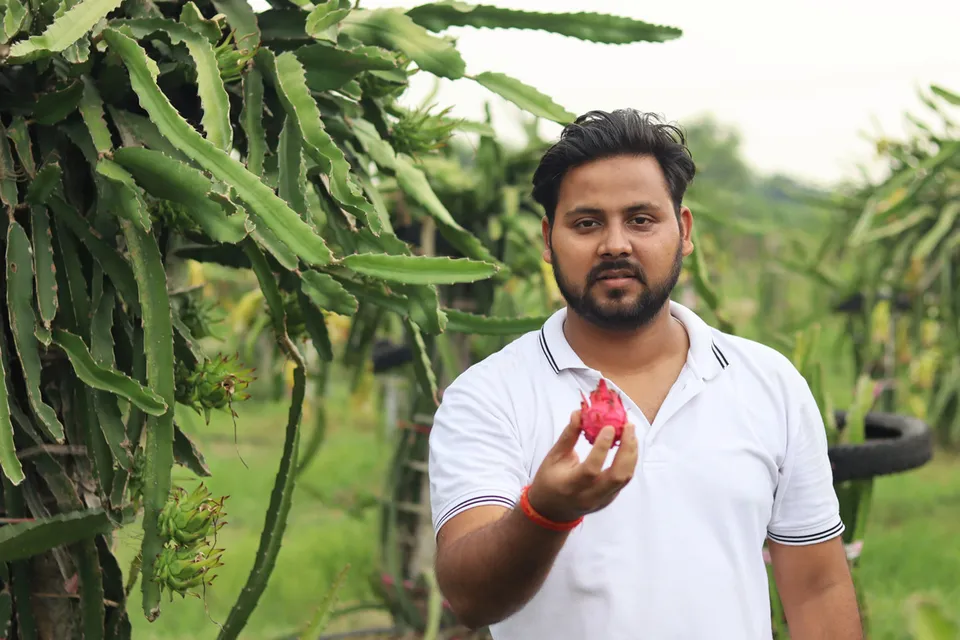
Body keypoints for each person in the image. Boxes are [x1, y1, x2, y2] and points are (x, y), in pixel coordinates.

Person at [427, 109, 862, 639]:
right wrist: (545, 513)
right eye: (587, 223)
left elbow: (818, 589)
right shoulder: (489, 396)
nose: (615, 244)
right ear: (547, 239)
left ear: (682, 231)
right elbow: (470, 598)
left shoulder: (768, 383)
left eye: (641, 219)